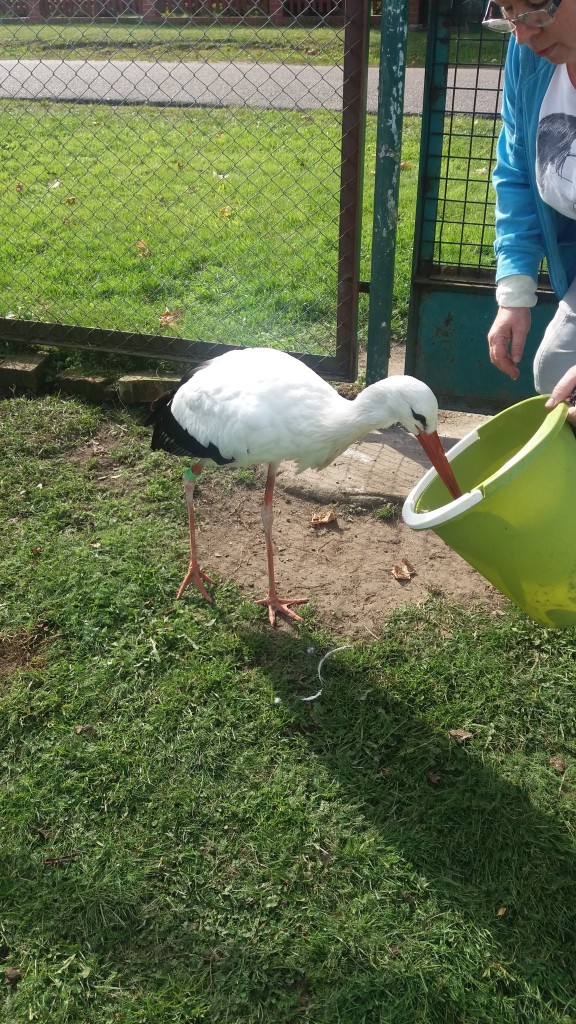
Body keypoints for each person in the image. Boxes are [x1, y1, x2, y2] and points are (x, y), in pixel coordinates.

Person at [483, 0, 576, 423]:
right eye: (507, 11)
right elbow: (518, 168)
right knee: (556, 374)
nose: (521, 33)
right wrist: (515, 292)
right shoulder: (528, 53)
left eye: (536, 10)